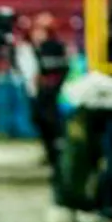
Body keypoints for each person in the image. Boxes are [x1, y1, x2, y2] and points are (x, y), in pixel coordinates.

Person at [26, 13, 71, 171]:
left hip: (53, 93)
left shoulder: (56, 46)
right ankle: (50, 153)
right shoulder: (32, 47)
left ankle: (56, 155)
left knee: (52, 123)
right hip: (40, 92)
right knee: (38, 119)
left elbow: (60, 69)